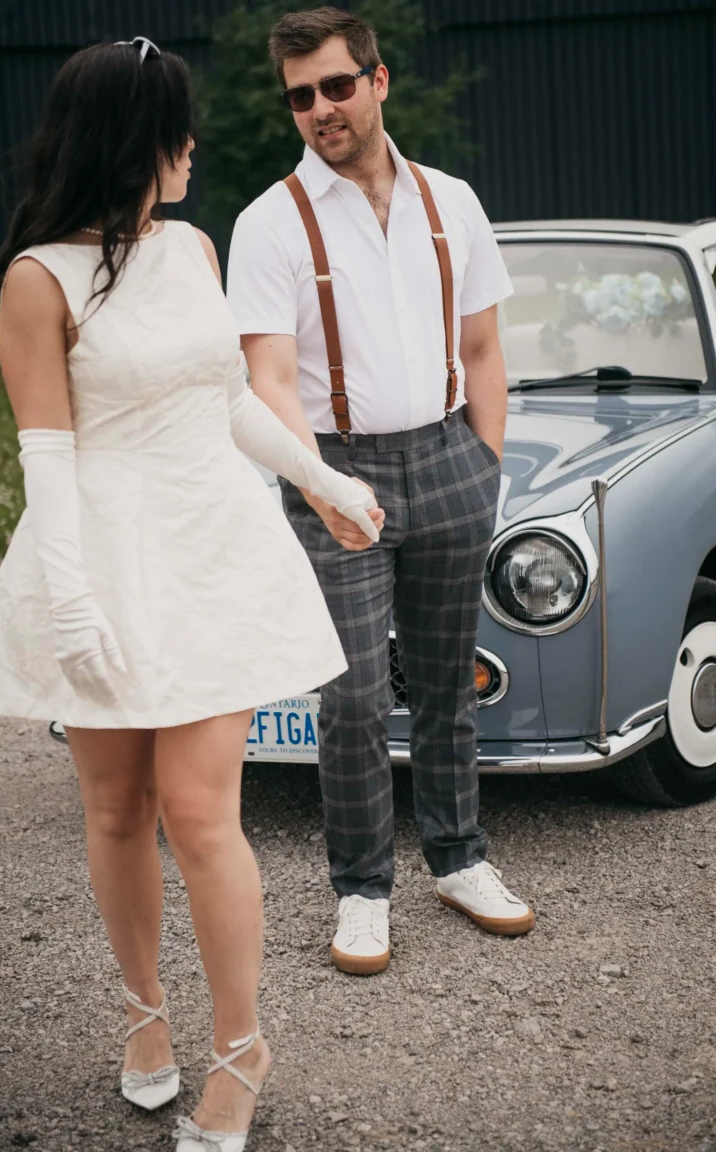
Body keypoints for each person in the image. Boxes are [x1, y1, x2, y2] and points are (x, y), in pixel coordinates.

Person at [0, 36, 383, 1151]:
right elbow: (44, 456)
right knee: (115, 811)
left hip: (210, 551)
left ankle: (241, 1048)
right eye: (175, 128)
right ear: (131, 142)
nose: (192, 146)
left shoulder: (193, 248)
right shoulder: (36, 279)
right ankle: (145, 1018)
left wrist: (322, 476)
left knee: (203, 817)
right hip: (100, 557)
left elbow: (228, 400)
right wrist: (68, 603)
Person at [226, 7, 535, 978]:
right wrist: (314, 481)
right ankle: (362, 889)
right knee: (353, 694)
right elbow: (269, 378)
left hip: (448, 459)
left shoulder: (452, 200)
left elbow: (483, 350)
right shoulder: (269, 221)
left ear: (379, 80)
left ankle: (460, 858)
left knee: (446, 682)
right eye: (300, 96)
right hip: (334, 470)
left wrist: (482, 461)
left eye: (335, 86)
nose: (319, 109)